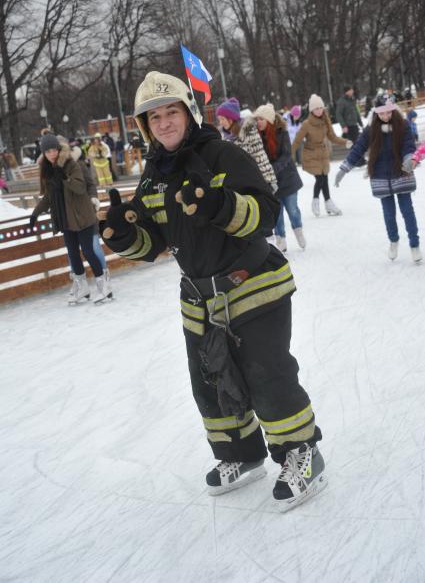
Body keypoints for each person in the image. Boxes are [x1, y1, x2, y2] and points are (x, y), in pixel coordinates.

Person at [99, 71, 326, 511]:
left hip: (253, 285)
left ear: (188, 112)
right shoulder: (153, 177)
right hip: (200, 299)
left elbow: (264, 213)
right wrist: (122, 237)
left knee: (267, 375)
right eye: (154, 117)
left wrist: (219, 206)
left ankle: (302, 453)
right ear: (145, 125)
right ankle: (240, 456)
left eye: (171, 112)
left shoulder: (222, 155)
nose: (164, 123)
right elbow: (153, 243)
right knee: (211, 384)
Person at [335, 101, 422, 263]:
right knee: (389, 214)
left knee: (407, 211)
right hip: (381, 176)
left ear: (392, 111)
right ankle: (394, 241)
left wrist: (409, 158)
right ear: (376, 113)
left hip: (401, 172)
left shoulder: (402, 125)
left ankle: (414, 244)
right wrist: (344, 168)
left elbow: (408, 145)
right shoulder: (371, 130)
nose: (385, 116)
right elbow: (358, 148)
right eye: (381, 114)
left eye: (388, 113)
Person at [29, 133, 112, 303]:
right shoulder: (47, 170)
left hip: (82, 217)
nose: (52, 154)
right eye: (48, 151)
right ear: (43, 153)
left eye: (54, 150)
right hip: (65, 219)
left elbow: (81, 187)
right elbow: (48, 197)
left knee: (88, 252)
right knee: (73, 254)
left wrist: (65, 177)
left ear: (59, 149)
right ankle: (82, 288)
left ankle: (104, 287)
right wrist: (35, 213)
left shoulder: (70, 164)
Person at [253, 103, 306, 252]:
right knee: (277, 214)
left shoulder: (282, 133)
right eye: (257, 119)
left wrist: (271, 169)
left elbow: (287, 156)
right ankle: (281, 238)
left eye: (261, 119)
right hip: (271, 183)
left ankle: (298, 230)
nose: (258, 122)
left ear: (269, 120)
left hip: (288, 179)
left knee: (293, 210)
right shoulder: (256, 137)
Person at [292, 94, 351, 217]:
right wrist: (289, 154)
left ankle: (328, 203)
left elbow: (332, 137)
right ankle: (315, 201)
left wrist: (345, 142)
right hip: (310, 154)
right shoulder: (306, 124)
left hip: (323, 154)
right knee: (320, 178)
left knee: (324, 177)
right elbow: (297, 141)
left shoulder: (325, 121)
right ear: (311, 110)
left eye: (320, 108)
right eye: (316, 109)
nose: (319, 110)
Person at [69, 143, 113, 297]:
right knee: (72, 252)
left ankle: (104, 275)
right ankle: (79, 281)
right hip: (72, 217)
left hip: (87, 212)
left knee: (93, 247)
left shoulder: (79, 165)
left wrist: (93, 199)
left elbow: (91, 184)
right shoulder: (57, 169)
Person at [215, 97, 278, 192]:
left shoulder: (249, 131)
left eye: (222, 119)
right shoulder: (224, 137)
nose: (220, 122)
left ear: (231, 119)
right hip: (237, 185)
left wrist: (270, 181)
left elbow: (259, 156)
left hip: (255, 182)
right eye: (219, 119)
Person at [335, 86, 364, 158]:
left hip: (354, 124)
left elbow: (356, 112)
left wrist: (360, 122)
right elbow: (338, 114)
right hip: (348, 126)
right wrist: (343, 126)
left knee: (358, 142)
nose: (352, 91)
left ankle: (360, 159)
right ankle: (357, 160)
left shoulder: (352, 100)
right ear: (347, 91)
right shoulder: (342, 101)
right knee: (352, 143)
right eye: (351, 90)